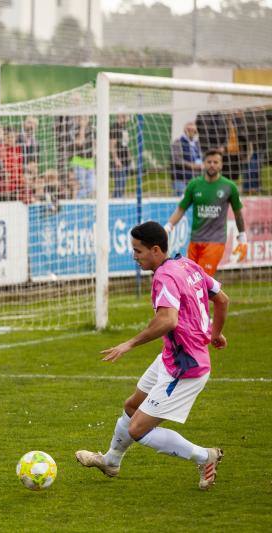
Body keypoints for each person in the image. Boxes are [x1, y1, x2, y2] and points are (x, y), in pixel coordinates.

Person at [76, 221, 228, 491]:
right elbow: (222, 299)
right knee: (131, 405)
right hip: (171, 357)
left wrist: (129, 344)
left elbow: (167, 320)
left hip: (185, 368)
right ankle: (111, 461)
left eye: (138, 251)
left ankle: (205, 456)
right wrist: (214, 333)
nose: (134, 256)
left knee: (137, 429)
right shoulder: (187, 264)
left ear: (155, 250)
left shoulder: (164, 276)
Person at [164, 150, 246, 277]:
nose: (212, 165)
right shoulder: (194, 185)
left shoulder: (229, 187)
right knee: (189, 280)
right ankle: (218, 297)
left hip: (215, 241)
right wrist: (168, 227)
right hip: (195, 240)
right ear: (204, 164)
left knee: (201, 279)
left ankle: (220, 298)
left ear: (221, 165)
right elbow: (181, 209)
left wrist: (242, 236)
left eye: (215, 162)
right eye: (209, 162)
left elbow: (238, 213)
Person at [170, 122, 203, 196]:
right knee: (181, 201)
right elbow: (176, 159)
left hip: (196, 178)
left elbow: (200, 157)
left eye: (194, 130)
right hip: (181, 179)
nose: (192, 132)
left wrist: (202, 164)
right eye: (189, 130)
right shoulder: (177, 142)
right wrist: (191, 165)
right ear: (185, 130)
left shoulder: (197, 143)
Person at [70, 114, 95, 199]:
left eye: (86, 117)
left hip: (89, 161)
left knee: (91, 187)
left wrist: (95, 151)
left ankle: (82, 201)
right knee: (81, 185)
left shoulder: (92, 129)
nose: (85, 120)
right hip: (79, 161)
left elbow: (95, 143)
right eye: (83, 118)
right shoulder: (74, 129)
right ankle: (77, 202)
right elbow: (80, 142)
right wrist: (82, 127)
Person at [110, 114, 133, 198]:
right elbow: (112, 145)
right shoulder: (114, 127)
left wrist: (130, 157)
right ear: (121, 116)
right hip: (119, 161)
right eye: (127, 116)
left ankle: (118, 201)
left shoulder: (124, 128)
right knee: (118, 187)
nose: (128, 118)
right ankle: (115, 204)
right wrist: (116, 159)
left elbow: (126, 144)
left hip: (126, 161)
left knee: (122, 187)